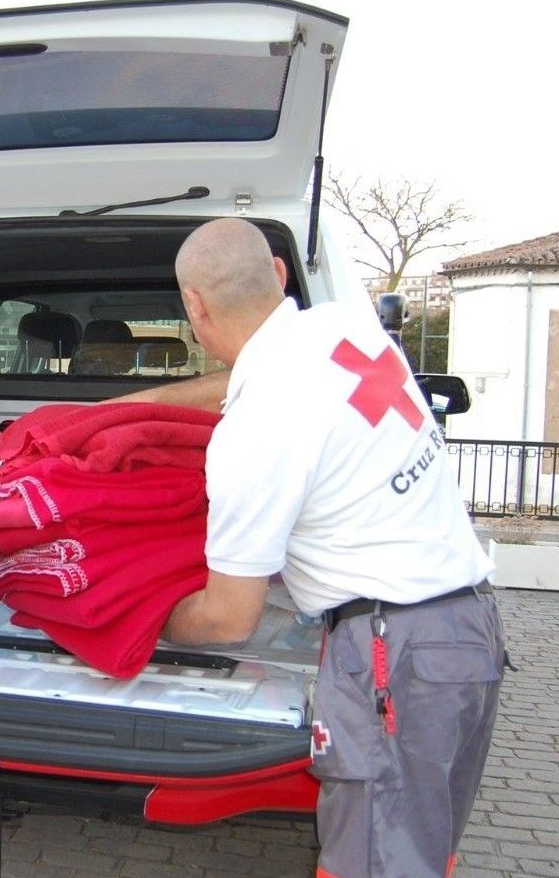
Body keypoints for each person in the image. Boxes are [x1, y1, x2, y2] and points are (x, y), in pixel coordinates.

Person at [137, 219, 506, 878]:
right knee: (421, 851)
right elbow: (253, 376)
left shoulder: (252, 433)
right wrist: (139, 406)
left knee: (375, 865)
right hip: (468, 629)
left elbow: (228, 619)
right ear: (280, 275)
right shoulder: (349, 329)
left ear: (194, 307)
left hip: (395, 653)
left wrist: (144, 621)